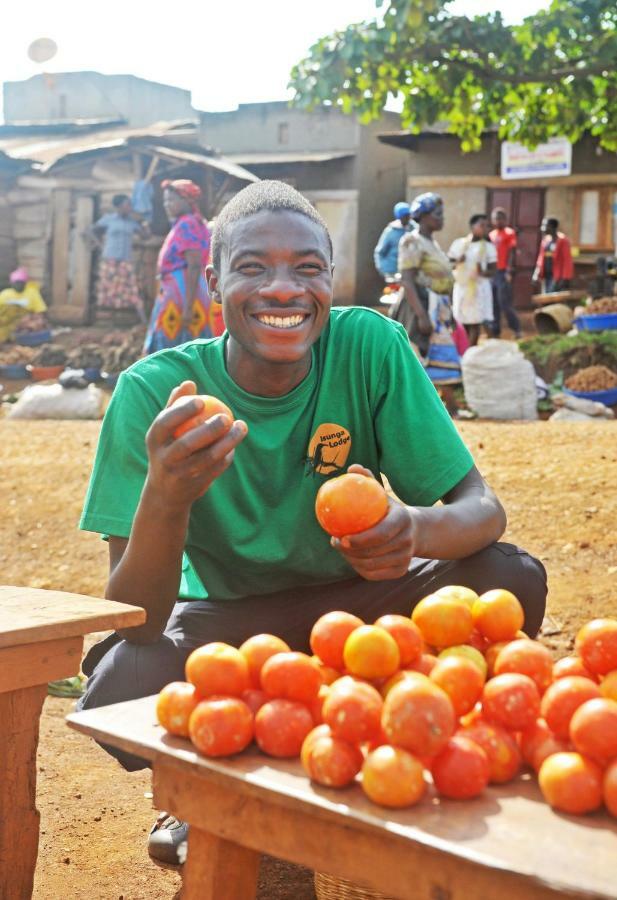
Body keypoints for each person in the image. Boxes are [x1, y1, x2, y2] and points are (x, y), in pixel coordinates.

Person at [77, 180, 547, 864]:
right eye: (251, 267)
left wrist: (410, 529)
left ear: (330, 279)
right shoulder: (156, 393)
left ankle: (408, 748)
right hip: (227, 623)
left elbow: (480, 511)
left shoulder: (367, 347)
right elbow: (137, 619)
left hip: (358, 612)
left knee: (507, 575)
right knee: (121, 683)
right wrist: (167, 497)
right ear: (212, 281)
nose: (281, 290)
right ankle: (207, 789)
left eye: (306, 268)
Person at [395, 193, 462, 415]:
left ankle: (446, 407)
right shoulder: (412, 242)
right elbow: (407, 279)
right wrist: (422, 315)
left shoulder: (431, 243)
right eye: (437, 214)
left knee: (440, 355)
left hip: (438, 307)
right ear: (423, 217)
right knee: (419, 356)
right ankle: (418, 409)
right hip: (419, 306)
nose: (442, 218)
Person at [144, 179, 224, 355]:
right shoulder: (186, 223)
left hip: (184, 294)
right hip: (180, 292)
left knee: (175, 342)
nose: (167, 205)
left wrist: (187, 307)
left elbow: (194, 265)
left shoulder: (188, 223)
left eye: (171, 200)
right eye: (165, 200)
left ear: (188, 201)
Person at [89, 195, 148, 321]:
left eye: (130, 205)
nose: (130, 207)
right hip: (109, 259)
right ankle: (107, 322)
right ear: (119, 207)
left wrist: (143, 222)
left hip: (125, 260)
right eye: (127, 204)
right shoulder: (108, 220)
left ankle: (144, 321)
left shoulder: (132, 222)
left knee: (133, 288)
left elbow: (145, 236)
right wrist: (99, 245)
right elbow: (91, 231)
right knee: (109, 290)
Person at [448, 214, 497, 346]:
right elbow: (448, 264)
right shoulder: (458, 244)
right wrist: (458, 261)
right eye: (482, 225)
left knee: (475, 321)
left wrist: (482, 272)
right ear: (472, 227)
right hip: (462, 288)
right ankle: (463, 349)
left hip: (479, 289)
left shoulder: (488, 247)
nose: (485, 228)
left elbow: (493, 270)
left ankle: (469, 351)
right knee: (462, 320)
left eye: (487, 226)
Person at [489, 207, 521, 339]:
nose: (498, 221)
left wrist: (509, 270)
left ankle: (516, 328)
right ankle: (495, 331)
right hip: (492, 273)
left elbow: (512, 252)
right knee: (493, 303)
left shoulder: (509, 233)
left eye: (501, 218)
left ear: (505, 220)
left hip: (503, 272)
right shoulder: (491, 235)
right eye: (496, 218)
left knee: (504, 303)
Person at [0, 268, 47, 342]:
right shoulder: (5, 294)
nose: (18, 285)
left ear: (25, 283)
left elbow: (40, 311)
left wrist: (31, 319)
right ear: (11, 283)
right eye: (16, 283)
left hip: (23, 321)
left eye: (20, 283)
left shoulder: (32, 293)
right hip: (6, 321)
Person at [533, 218, 574, 293]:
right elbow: (541, 258)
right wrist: (536, 273)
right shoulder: (546, 240)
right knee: (546, 295)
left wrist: (565, 278)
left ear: (552, 227)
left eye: (545, 225)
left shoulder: (563, 241)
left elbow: (567, 261)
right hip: (547, 276)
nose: (542, 228)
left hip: (557, 276)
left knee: (552, 297)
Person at [373, 202, 412, 278]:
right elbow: (380, 252)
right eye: (404, 216)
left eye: (408, 215)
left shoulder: (414, 229)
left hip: (409, 271)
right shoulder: (391, 232)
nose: (407, 218)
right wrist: (382, 269)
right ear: (399, 217)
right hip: (392, 272)